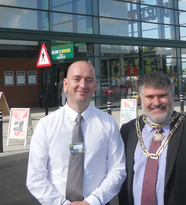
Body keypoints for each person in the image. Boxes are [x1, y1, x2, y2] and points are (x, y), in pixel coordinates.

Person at [27, 61, 126, 205]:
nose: (83, 85)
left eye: (89, 80)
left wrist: (92, 201)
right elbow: (35, 176)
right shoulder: (46, 125)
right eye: (77, 79)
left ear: (95, 86)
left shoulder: (108, 124)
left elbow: (118, 169)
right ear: (65, 84)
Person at [118, 72, 186, 205]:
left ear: (172, 96)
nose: (156, 102)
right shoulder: (129, 130)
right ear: (141, 99)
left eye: (162, 95)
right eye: (150, 96)